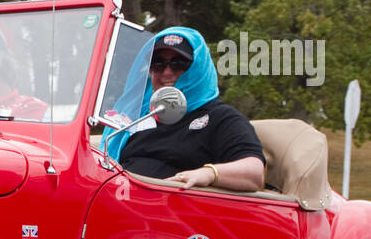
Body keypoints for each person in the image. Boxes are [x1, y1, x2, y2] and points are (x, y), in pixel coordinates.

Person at [106, 27, 265, 190]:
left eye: (178, 63)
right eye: (158, 64)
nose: (167, 72)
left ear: (198, 68)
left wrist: (208, 174)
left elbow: (254, 173)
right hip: (118, 200)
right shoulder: (139, 114)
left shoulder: (221, 117)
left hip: (174, 210)